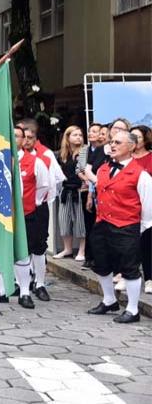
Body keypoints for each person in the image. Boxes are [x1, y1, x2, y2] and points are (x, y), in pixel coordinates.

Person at [87, 129, 152, 323]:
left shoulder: (141, 175)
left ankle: (133, 309)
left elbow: (148, 204)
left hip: (127, 225)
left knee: (129, 267)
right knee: (101, 263)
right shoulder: (103, 169)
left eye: (118, 142)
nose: (112, 145)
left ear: (131, 147)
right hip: (102, 223)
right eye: (112, 142)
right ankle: (109, 300)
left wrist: (140, 227)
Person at [16, 126, 52, 305]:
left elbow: (44, 185)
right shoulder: (1, 159)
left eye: (18, 136)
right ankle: (14, 284)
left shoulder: (37, 161)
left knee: (37, 247)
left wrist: (34, 202)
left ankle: (39, 283)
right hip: (10, 215)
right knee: (16, 250)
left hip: (32, 212)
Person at [56, 126, 87, 261]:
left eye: (80, 135)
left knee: (80, 222)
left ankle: (82, 250)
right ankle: (67, 249)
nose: (78, 137)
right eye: (75, 135)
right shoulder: (62, 154)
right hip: (65, 190)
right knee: (64, 221)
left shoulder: (85, 152)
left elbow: (84, 171)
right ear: (68, 137)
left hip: (80, 190)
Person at [79, 123, 108, 270]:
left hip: (111, 198)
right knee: (93, 228)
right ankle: (92, 257)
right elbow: (90, 172)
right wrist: (91, 194)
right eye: (99, 133)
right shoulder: (96, 152)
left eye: (102, 133)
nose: (100, 136)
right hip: (96, 194)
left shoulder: (111, 154)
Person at [130, 125, 152, 294]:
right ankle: (128, 275)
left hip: (148, 205)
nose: (134, 140)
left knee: (147, 243)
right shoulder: (126, 159)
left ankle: (149, 278)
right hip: (128, 207)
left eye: (137, 137)